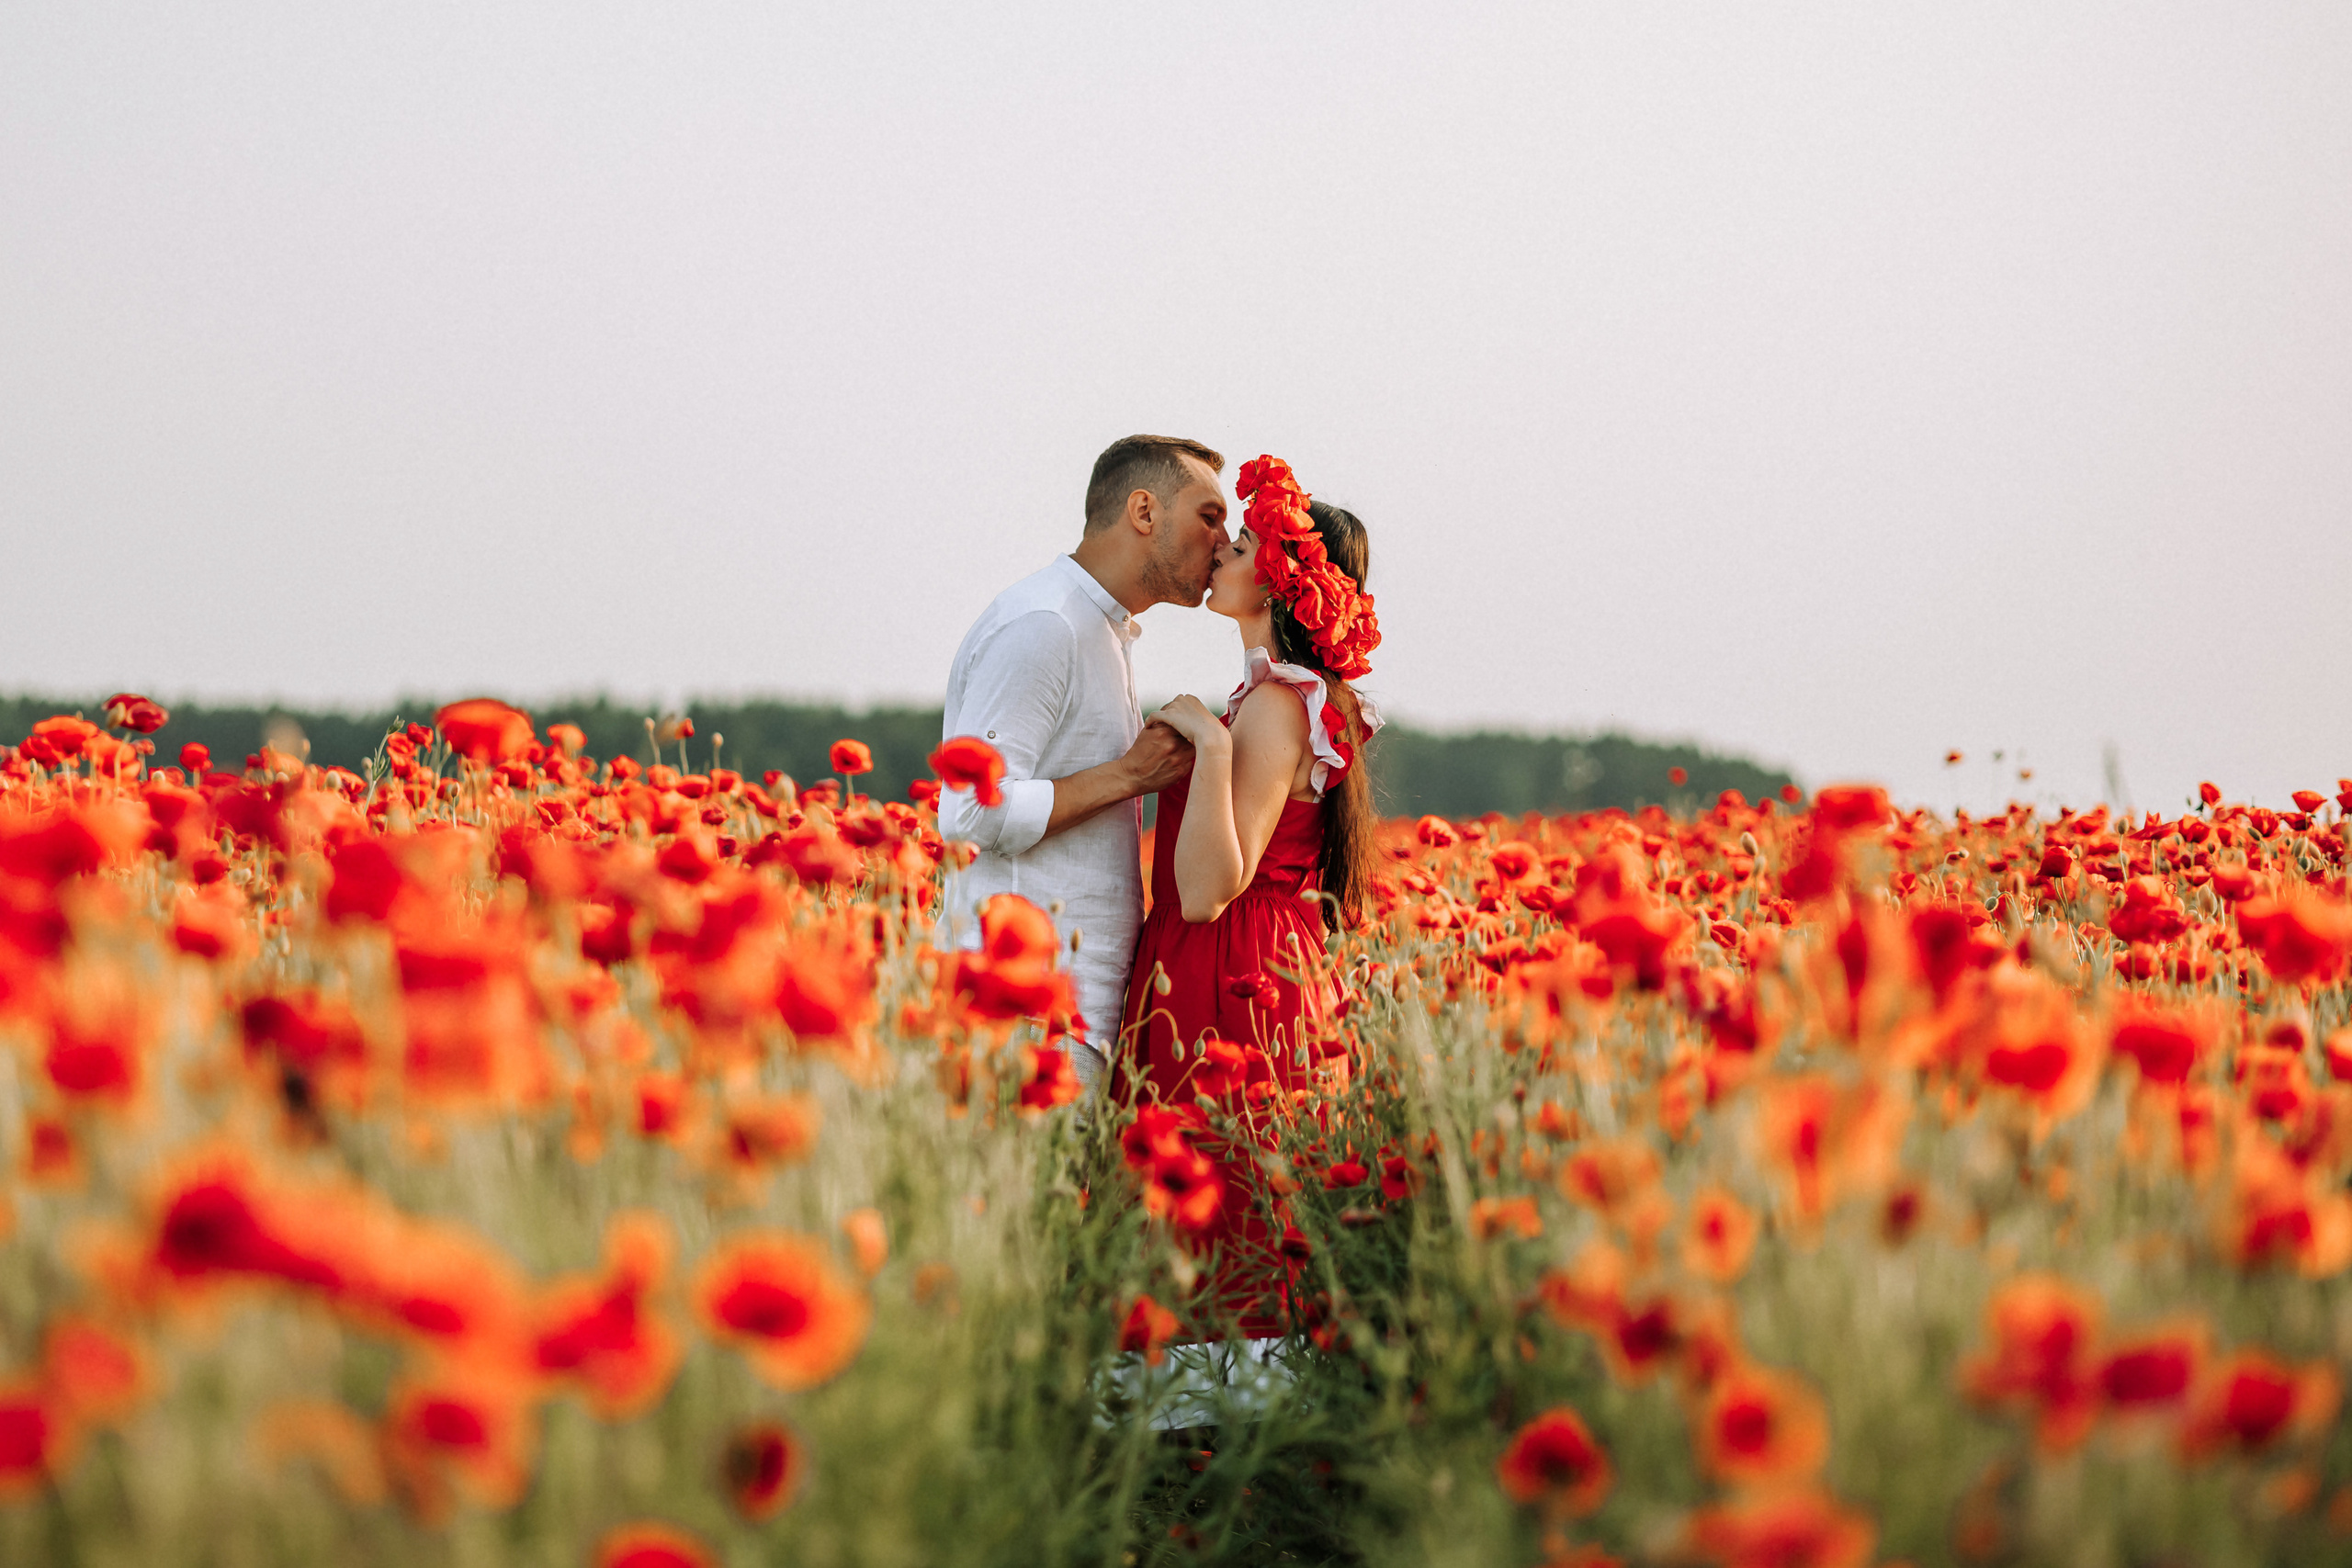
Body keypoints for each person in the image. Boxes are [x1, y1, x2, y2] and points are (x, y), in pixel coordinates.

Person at [1114, 454, 1383, 1334]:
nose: (1221, 552)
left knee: (1218, 1205)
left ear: (1278, 584)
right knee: (1236, 1197)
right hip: (1260, 962)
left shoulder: (1272, 708)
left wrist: (1206, 737)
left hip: (1232, 971)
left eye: (1242, 546)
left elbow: (1205, 889)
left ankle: (1208, 1429)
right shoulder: (1286, 700)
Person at [935, 435, 1231, 1096]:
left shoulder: (1101, 629)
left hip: (1068, 1015)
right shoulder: (1047, 624)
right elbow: (968, 810)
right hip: (1019, 1020)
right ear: (1144, 510)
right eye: (1209, 516)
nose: (1224, 539)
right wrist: (1132, 775)